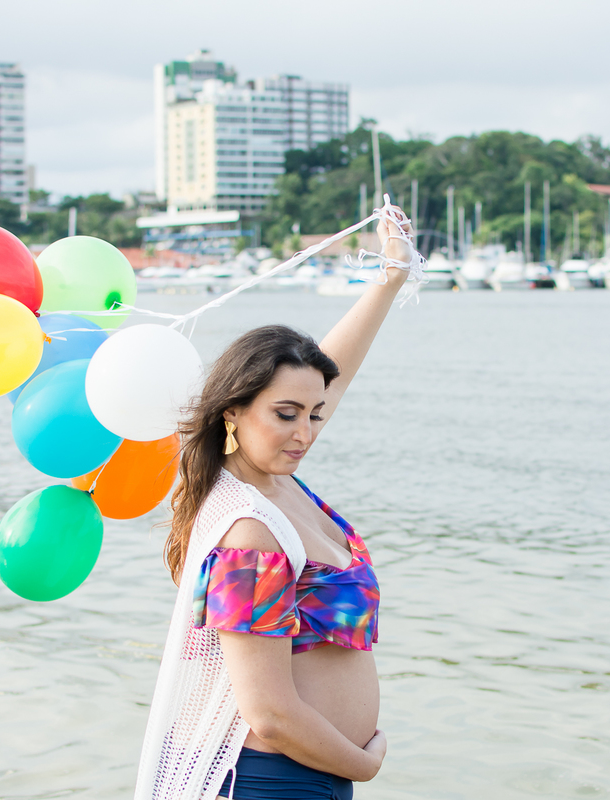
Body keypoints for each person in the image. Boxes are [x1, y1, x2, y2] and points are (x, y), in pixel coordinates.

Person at [134, 206, 419, 800]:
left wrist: (389, 279)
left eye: (314, 416)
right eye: (285, 416)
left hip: (301, 777)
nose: (306, 432)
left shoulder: (280, 482)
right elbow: (269, 713)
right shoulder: (249, 531)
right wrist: (360, 767)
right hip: (268, 780)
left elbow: (325, 379)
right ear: (233, 410)